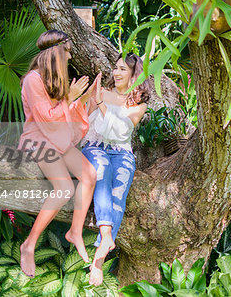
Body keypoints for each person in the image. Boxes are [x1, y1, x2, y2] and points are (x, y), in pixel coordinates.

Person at [18, 30, 100, 278]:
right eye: (68, 51)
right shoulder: (33, 79)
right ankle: (29, 244)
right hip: (39, 140)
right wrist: (70, 98)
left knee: (90, 174)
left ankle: (75, 231)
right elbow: (46, 118)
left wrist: (82, 99)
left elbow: (62, 113)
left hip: (56, 139)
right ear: (56, 53)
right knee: (64, 188)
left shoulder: (53, 81)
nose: (70, 56)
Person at [81, 53, 150, 286]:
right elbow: (85, 120)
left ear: (134, 74)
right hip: (95, 146)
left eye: (122, 69)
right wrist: (96, 99)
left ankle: (97, 261)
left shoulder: (138, 105)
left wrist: (101, 104)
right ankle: (107, 237)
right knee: (102, 170)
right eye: (115, 68)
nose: (116, 73)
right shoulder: (102, 93)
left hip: (121, 152)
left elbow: (119, 132)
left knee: (118, 194)